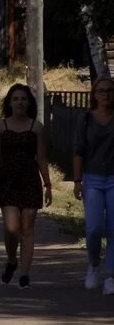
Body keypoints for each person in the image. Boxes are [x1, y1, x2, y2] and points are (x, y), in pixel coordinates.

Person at [0, 84, 52, 289]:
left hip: (30, 180)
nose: (20, 102)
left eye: (23, 99)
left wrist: (48, 184)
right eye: (16, 99)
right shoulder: (0, 126)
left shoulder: (37, 127)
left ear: (29, 102)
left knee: (27, 228)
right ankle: (12, 261)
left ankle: (24, 274)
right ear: (10, 102)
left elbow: (41, 158)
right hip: (6, 180)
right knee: (11, 227)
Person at [73, 76, 114, 295]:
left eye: (109, 91)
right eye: (101, 91)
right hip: (93, 179)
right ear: (94, 95)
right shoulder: (86, 119)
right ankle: (93, 265)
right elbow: (78, 150)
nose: (106, 95)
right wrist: (77, 181)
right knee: (93, 229)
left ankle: (110, 275)